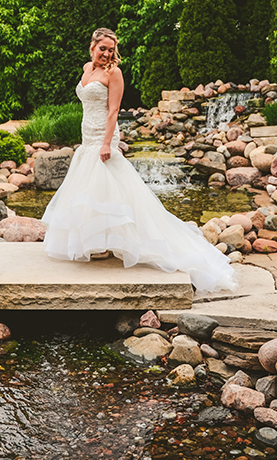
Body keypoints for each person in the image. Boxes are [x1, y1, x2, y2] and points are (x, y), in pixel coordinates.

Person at [42, 28, 238, 295]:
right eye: (103, 49)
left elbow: (113, 111)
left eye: (111, 49)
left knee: (109, 186)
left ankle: (119, 242)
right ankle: (98, 243)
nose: (107, 54)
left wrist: (106, 143)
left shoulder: (115, 73)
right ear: (92, 47)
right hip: (87, 133)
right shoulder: (87, 68)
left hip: (103, 135)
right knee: (90, 189)